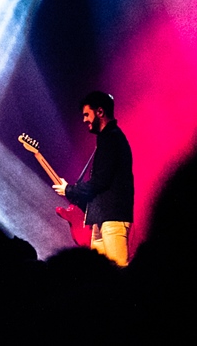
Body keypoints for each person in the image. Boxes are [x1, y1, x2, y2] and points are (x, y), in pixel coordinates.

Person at [53, 91, 134, 266]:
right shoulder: (106, 139)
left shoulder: (111, 138)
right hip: (100, 219)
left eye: (86, 115)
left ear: (100, 112)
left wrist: (70, 189)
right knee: (101, 276)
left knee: (119, 275)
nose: (84, 120)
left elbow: (100, 181)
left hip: (112, 218)